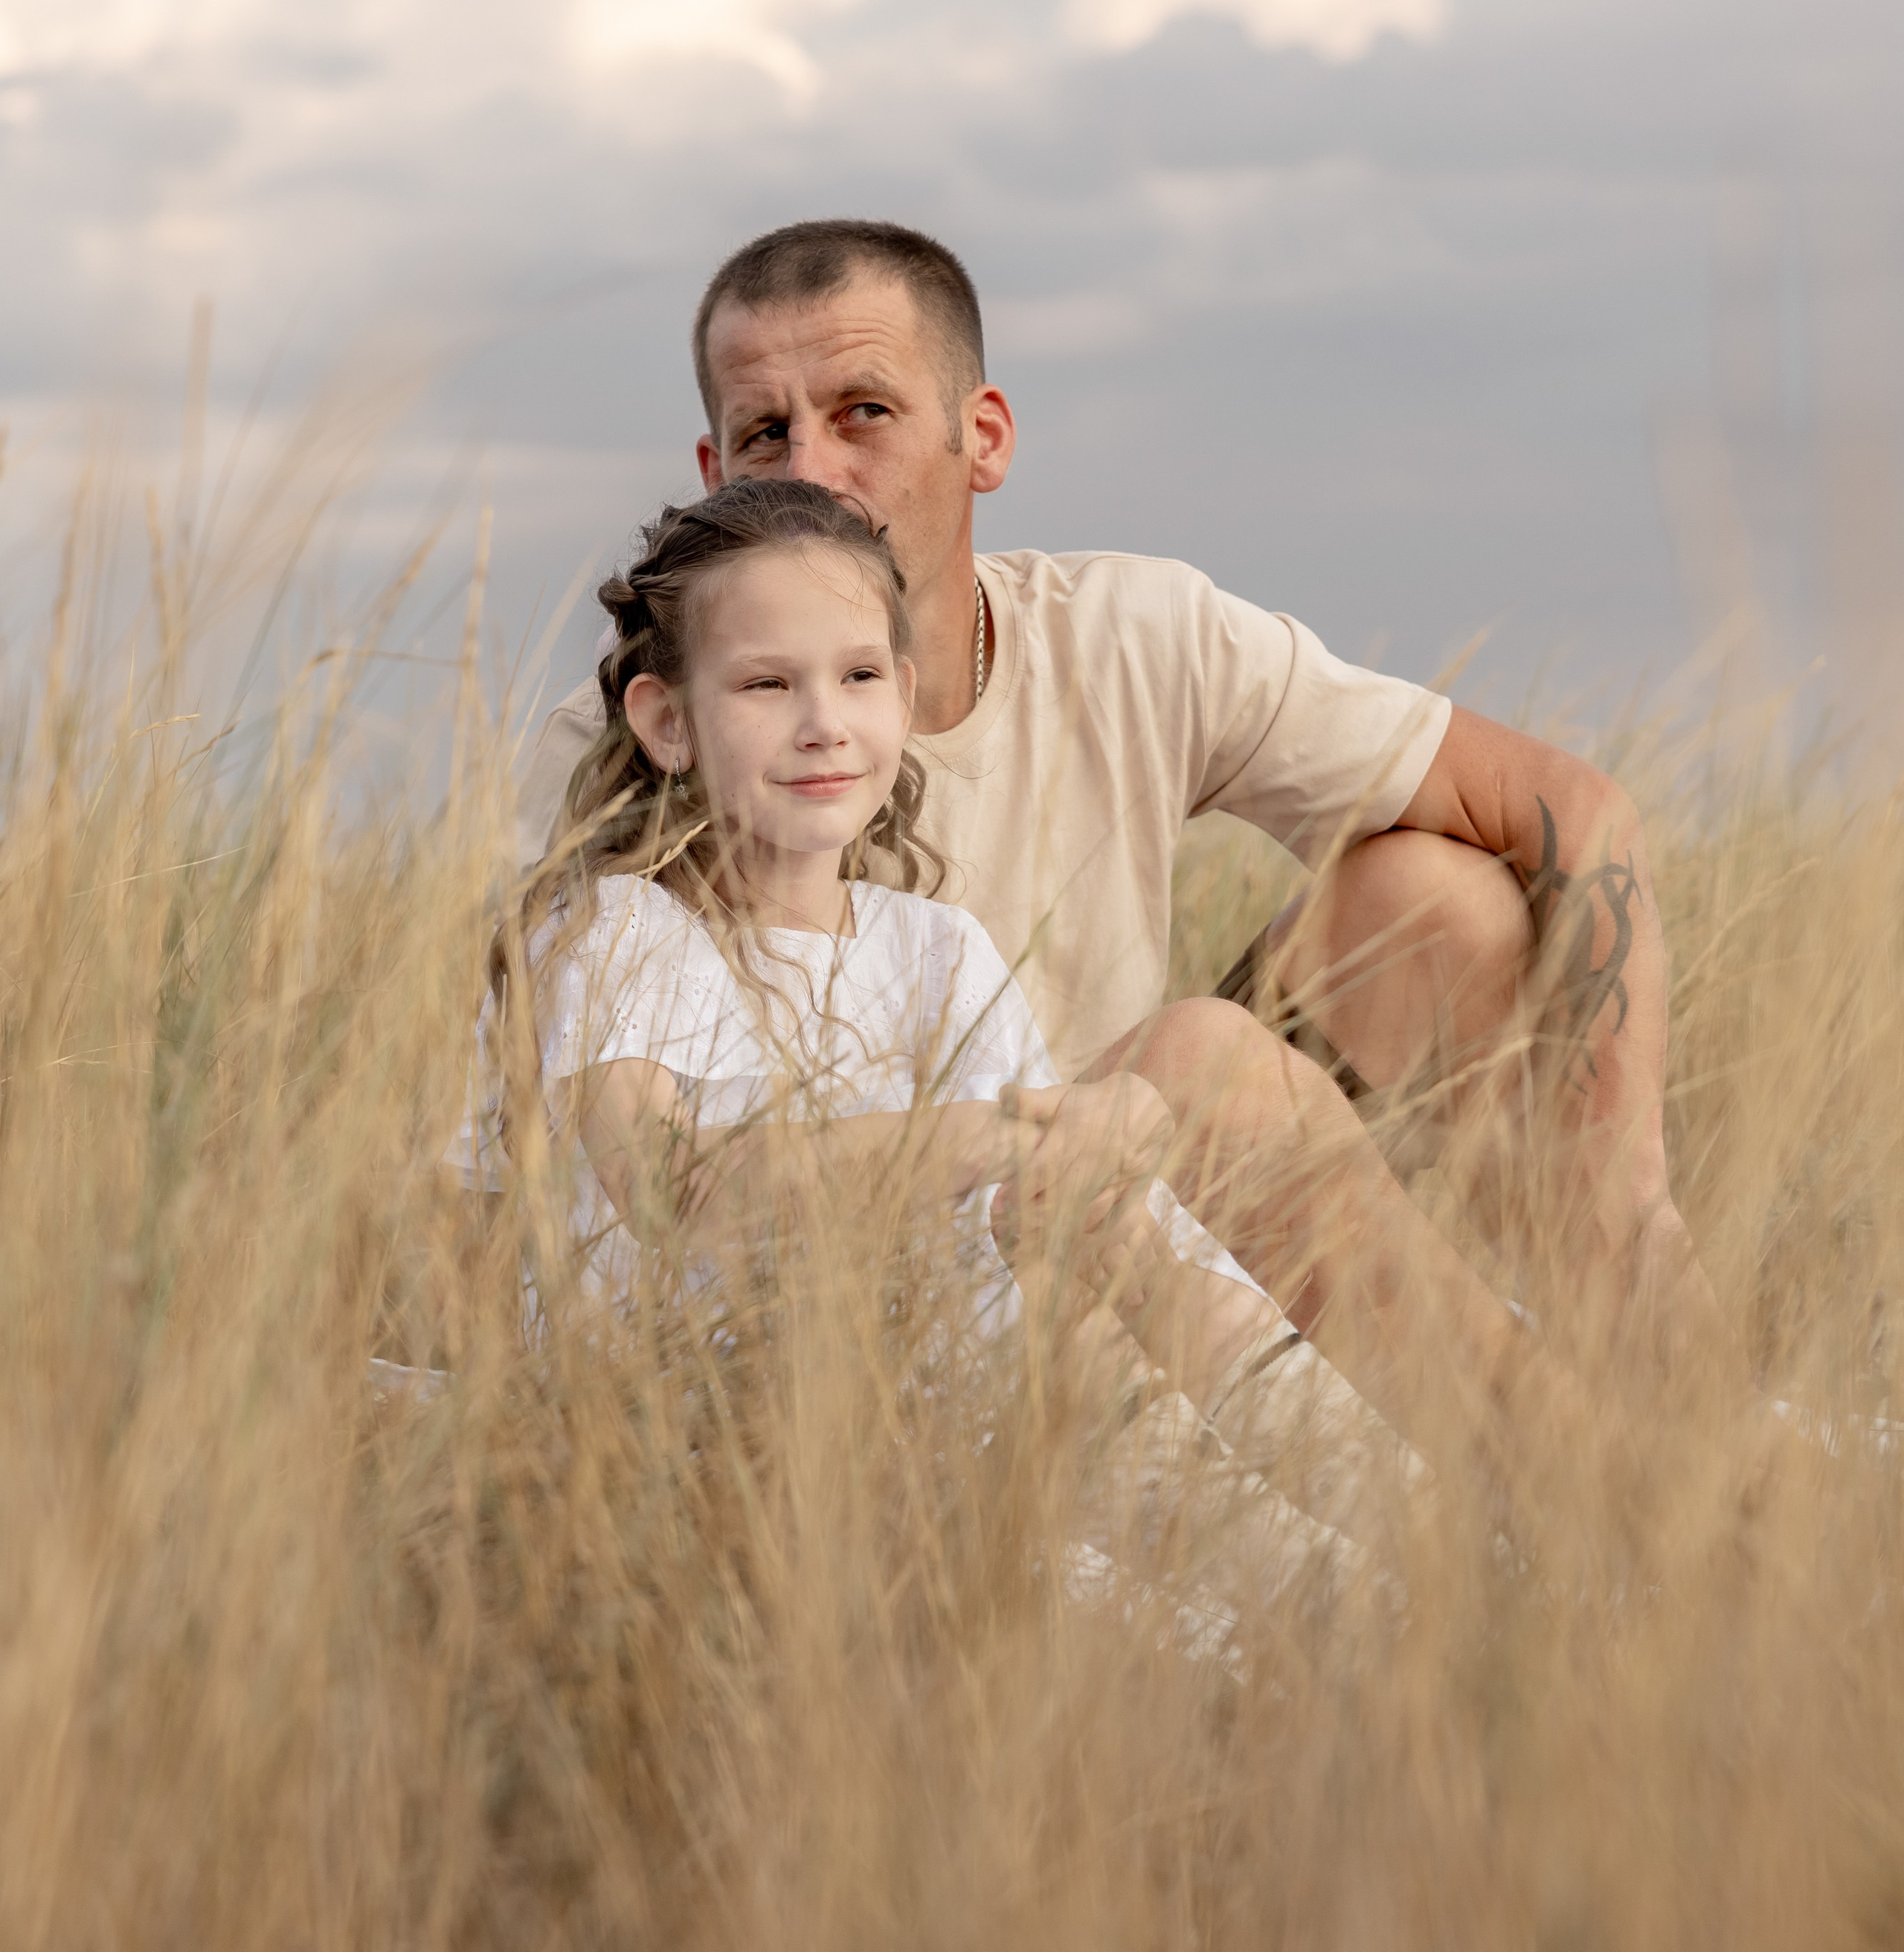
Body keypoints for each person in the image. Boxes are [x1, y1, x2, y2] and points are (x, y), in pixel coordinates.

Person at [518, 219, 1723, 1468]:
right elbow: (616, 1163)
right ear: (720, 471)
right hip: (876, 1242)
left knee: (1437, 898)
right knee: (1204, 1066)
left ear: (979, 438)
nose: (815, 470)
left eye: (864, 411)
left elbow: (1565, 806)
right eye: (769, 433)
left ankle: (1596, 1380)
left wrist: (1627, 1211)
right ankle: (1578, 1475)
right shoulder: (642, 741)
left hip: (1138, 1166)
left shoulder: (1133, 631)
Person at [491, 473, 1296, 1435]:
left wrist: (1105, 1141)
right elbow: (682, 1191)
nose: (825, 721)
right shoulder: (622, 929)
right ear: (670, 723)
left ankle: (1342, 1469)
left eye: (859, 676)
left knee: (1131, 1263)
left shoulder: (935, 947)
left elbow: (1053, 1214)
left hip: (943, 1406)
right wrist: (1027, 1133)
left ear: (903, 697)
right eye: (767, 683)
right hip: (702, 1433)